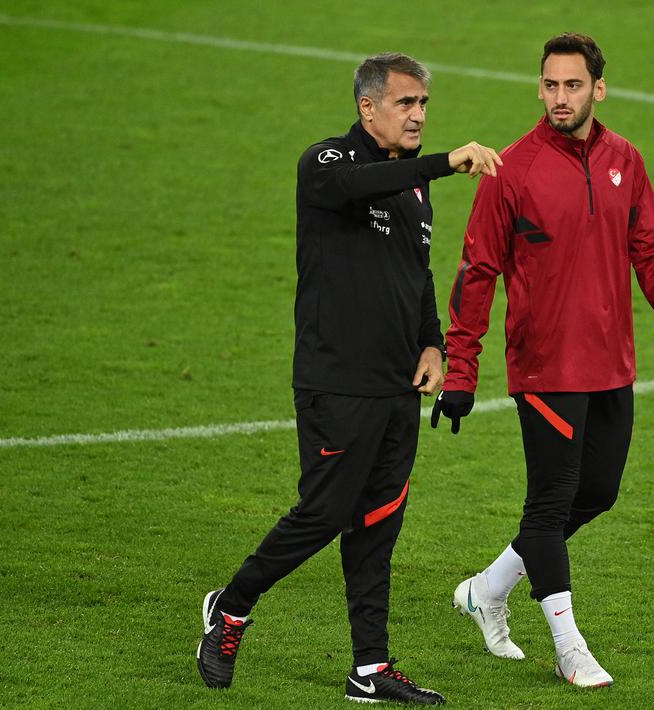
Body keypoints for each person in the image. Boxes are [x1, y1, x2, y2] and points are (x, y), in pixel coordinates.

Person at [196, 52, 501, 705]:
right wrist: (445, 161)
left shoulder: (415, 190)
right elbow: (353, 189)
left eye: (423, 104)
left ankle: (369, 668)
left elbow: (415, 273)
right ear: (368, 108)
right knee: (325, 511)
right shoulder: (327, 162)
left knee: (378, 523)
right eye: (405, 104)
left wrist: (431, 344)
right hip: (336, 379)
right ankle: (231, 607)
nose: (418, 114)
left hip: (396, 384)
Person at [430, 33, 654, 688]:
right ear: (539, 88)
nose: (559, 97)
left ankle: (486, 589)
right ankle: (568, 647)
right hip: (544, 367)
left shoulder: (626, 161)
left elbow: (650, 254)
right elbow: (476, 273)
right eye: (550, 85)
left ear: (598, 89)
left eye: (572, 85)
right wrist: (461, 370)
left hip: (611, 362)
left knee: (598, 493)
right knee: (551, 500)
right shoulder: (513, 170)